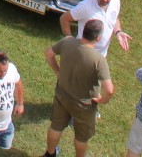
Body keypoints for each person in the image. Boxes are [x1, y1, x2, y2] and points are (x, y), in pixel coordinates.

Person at [43, 18, 114, 157]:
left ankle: (50, 154)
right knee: (81, 137)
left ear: (83, 31)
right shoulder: (99, 60)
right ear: (98, 38)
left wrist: (58, 71)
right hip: (84, 105)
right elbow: (110, 90)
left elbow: (48, 54)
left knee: (56, 126)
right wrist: (102, 100)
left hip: (62, 95)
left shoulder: (67, 41)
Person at [63, 0, 131, 58]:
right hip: (83, 54)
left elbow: (114, 18)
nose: (105, 0)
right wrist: (70, 42)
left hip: (101, 56)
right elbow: (64, 19)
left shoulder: (115, 1)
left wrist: (118, 32)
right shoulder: (85, 6)